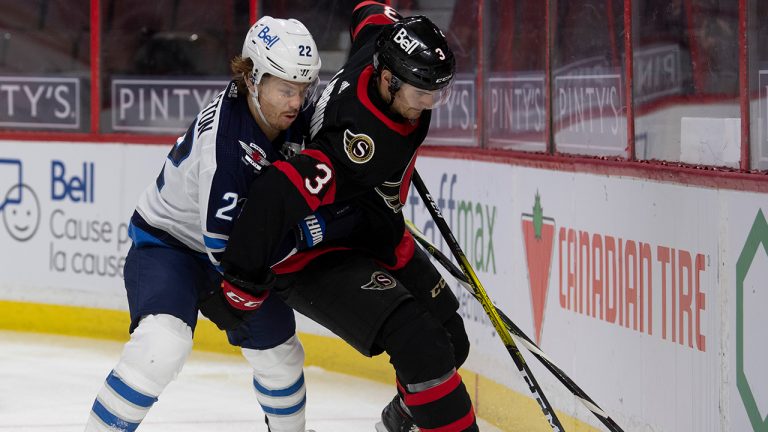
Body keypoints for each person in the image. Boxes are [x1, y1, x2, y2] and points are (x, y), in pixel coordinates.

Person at [215, 2, 478, 431]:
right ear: (389, 80)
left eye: (439, 93)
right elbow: (275, 194)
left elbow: (367, 9)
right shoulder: (357, 146)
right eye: (422, 93)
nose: (431, 103)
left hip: (373, 224)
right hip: (319, 248)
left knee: (450, 339)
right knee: (422, 345)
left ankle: (398, 422)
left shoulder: (380, 40)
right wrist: (238, 283)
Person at [84, 16, 333, 432]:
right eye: (286, 88)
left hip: (238, 247)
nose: (296, 101)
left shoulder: (297, 112)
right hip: (170, 246)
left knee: (282, 357)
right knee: (161, 345)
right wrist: (305, 235)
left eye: (304, 88)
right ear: (252, 78)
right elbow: (224, 248)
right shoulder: (226, 146)